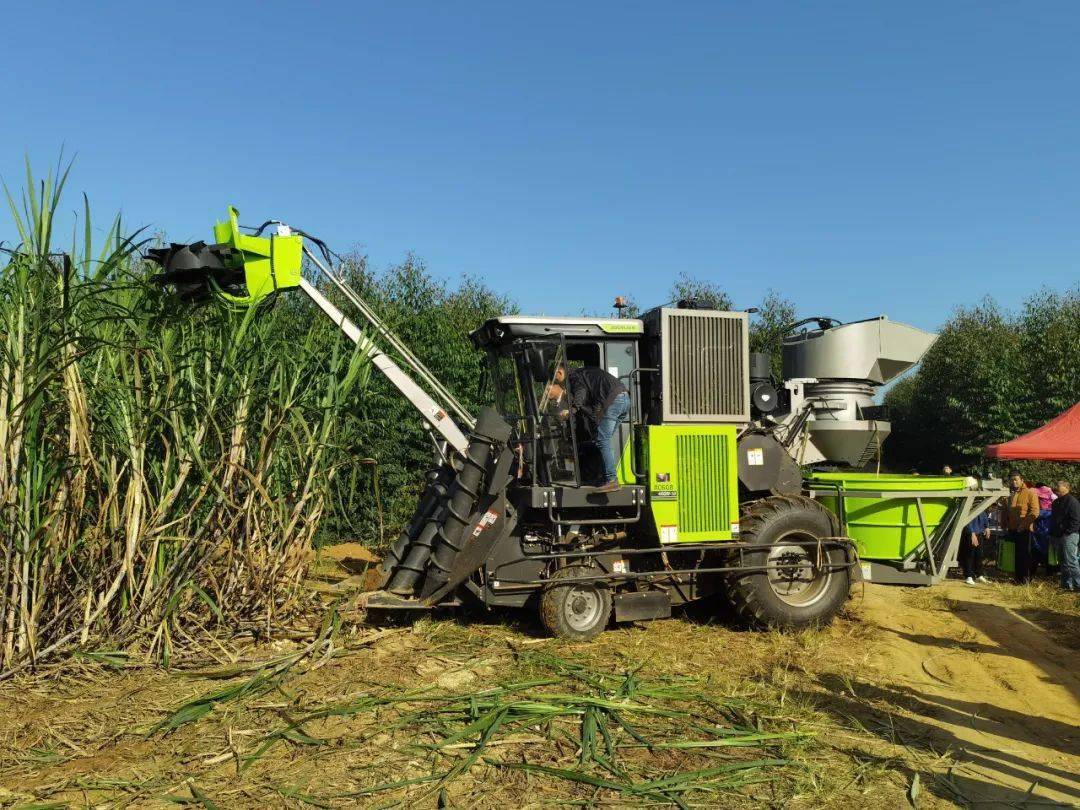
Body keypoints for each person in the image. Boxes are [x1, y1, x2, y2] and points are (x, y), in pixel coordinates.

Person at [550, 364, 630, 492]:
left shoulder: (574, 376)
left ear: (559, 372)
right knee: (602, 441)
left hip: (614, 399)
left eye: (556, 379)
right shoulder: (585, 373)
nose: (558, 383)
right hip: (624, 399)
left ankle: (611, 480)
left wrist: (572, 410)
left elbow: (580, 393)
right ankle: (603, 477)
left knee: (602, 440)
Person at [1004, 471, 1040, 584]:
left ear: (1022, 480)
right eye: (1012, 480)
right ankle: (1018, 578)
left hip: (1024, 529)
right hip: (1012, 528)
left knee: (1024, 555)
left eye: (1016, 479)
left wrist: (1023, 525)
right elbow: (1005, 511)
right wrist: (1004, 524)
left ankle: (1025, 580)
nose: (1014, 482)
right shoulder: (1009, 494)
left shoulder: (1030, 493)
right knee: (1015, 554)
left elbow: (1035, 511)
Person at [1050, 480, 1080, 591]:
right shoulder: (1056, 503)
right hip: (1058, 535)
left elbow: (1076, 521)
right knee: (1063, 561)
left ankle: (1078, 585)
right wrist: (1052, 534)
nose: (1056, 487)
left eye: (1059, 486)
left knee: (1071, 561)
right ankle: (1066, 585)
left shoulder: (1073, 502)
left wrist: (1067, 533)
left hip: (1070, 535)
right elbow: (1053, 520)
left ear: (1067, 488)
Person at [960, 509, 991, 585]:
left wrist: (986, 526)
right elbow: (966, 518)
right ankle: (968, 576)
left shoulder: (981, 502)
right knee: (969, 554)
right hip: (970, 533)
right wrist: (971, 533)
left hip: (979, 532)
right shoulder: (971, 504)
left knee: (979, 555)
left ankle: (979, 575)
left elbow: (983, 513)